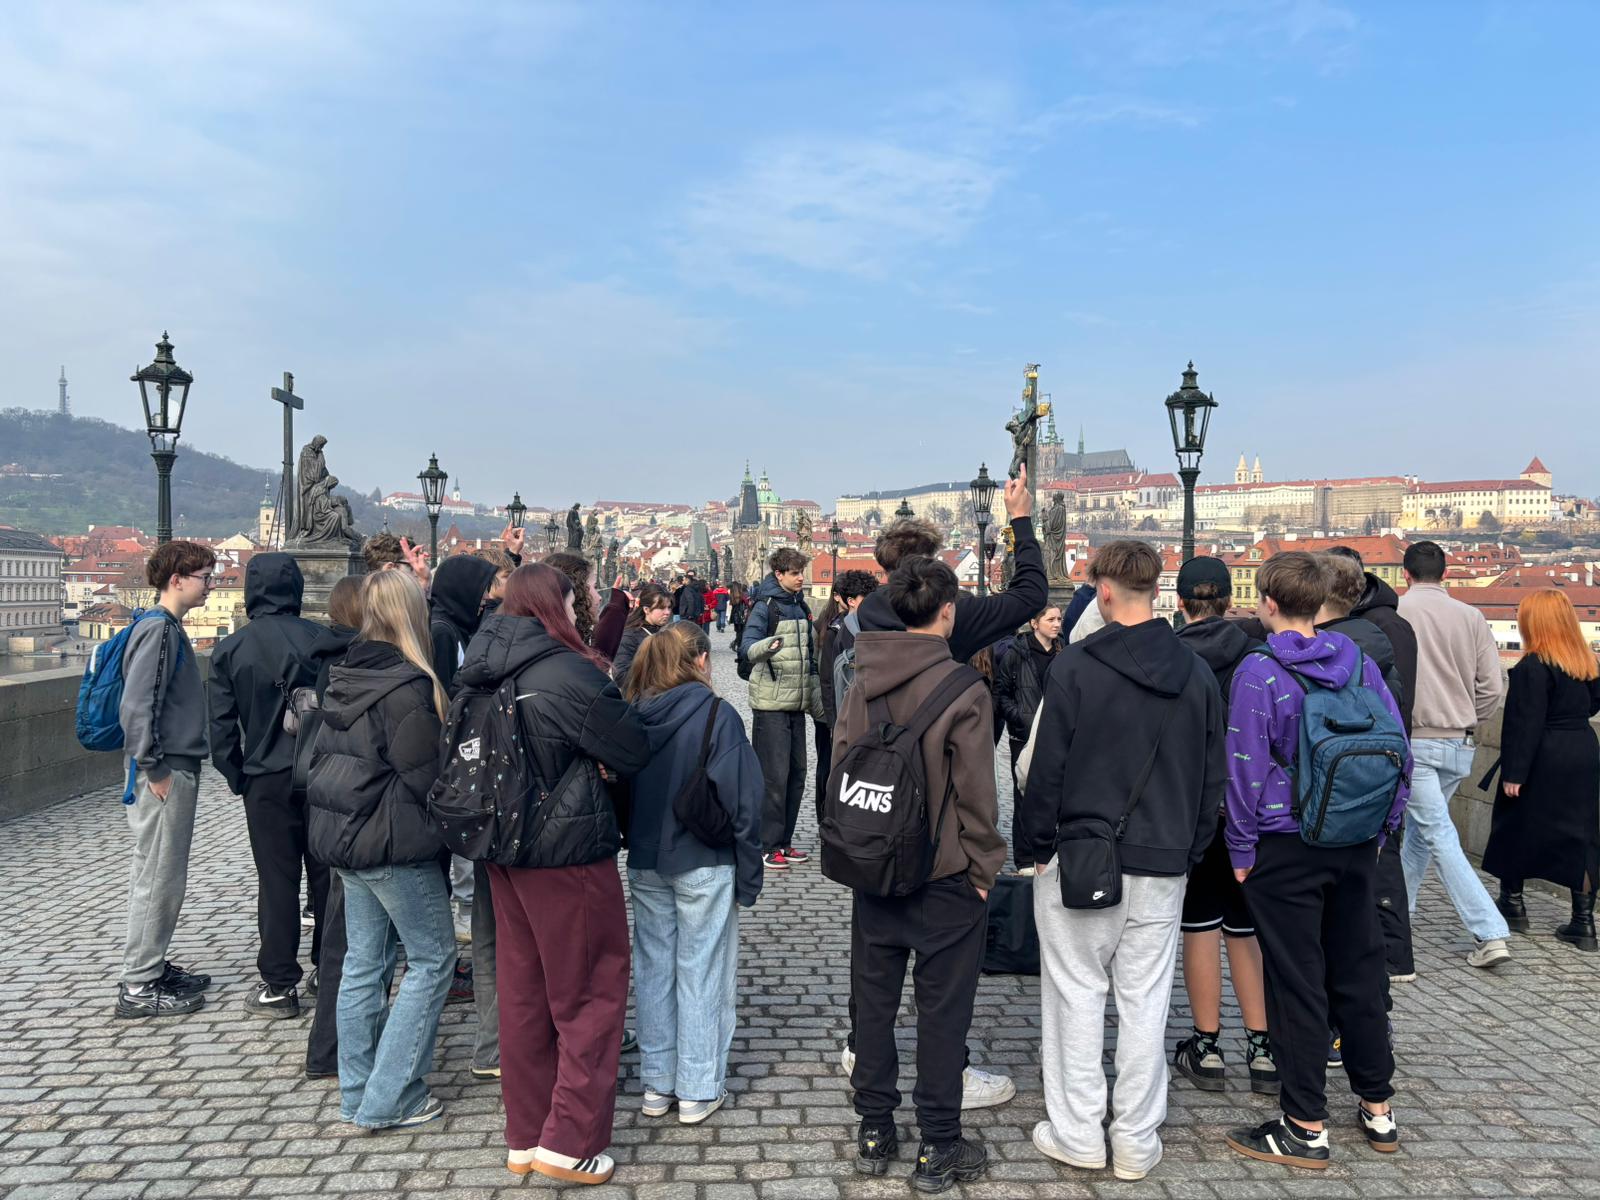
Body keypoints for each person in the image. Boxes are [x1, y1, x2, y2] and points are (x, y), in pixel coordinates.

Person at [1021, 541, 1224, 1182]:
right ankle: (1136, 1137)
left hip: (1081, 855)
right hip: (1164, 859)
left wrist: (1037, 848)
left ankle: (1079, 1132)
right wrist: (1189, 851)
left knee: (1076, 992)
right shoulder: (1196, 673)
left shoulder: (1075, 666)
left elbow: (1045, 771)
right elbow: (1212, 780)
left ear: (1103, 590)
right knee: (1146, 1000)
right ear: (1156, 589)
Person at [454, 564, 650, 1185]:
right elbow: (631, 748)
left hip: (501, 847)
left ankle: (527, 1134)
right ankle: (569, 1142)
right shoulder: (567, 671)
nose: (583, 603)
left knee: (523, 990)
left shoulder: (479, 666)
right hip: (566, 849)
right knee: (590, 989)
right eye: (576, 596)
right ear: (554, 606)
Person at [1221, 551, 1407, 1169]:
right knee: (1359, 970)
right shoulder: (1357, 659)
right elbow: (1398, 748)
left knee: (1296, 980)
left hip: (1286, 841)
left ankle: (1304, 1125)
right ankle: (1378, 1108)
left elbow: (1244, 768)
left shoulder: (1260, 670)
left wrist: (1241, 848)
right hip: (1354, 837)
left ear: (1268, 603)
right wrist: (1382, 827)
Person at [834, 558, 1006, 1191]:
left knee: (873, 1005)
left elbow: (841, 766)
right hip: (945, 876)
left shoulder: (863, 677)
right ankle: (938, 1144)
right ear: (948, 611)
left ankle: (874, 1128)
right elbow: (977, 795)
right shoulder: (963, 688)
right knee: (942, 1014)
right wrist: (984, 868)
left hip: (875, 867)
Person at [307, 570, 454, 1130]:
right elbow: (426, 777)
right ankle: (392, 1097)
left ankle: (357, 1093)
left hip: (346, 839)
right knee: (432, 960)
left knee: (363, 966)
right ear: (411, 614)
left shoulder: (344, 673)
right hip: (393, 844)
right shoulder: (407, 686)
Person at [623, 622, 764, 1123]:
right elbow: (745, 800)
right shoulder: (717, 715)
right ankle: (699, 1087)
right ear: (702, 660)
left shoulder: (632, 712)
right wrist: (750, 874)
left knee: (655, 971)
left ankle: (657, 1083)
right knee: (703, 971)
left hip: (646, 858)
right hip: (704, 857)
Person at [208, 553, 338, 1019]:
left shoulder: (231, 649)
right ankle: (329, 969)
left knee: (277, 880)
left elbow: (220, 729)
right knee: (327, 876)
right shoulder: (322, 640)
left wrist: (238, 776)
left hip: (264, 777)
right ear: (296, 589)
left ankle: (280, 984)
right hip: (321, 772)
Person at [1168, 557, 1275, 1097]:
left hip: (1192, 812)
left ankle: (1207, 1047)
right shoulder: (1258, 656)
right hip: (1249, 812)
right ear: (1231, 602)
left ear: (1180, 603)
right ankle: (1262, 1047)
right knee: (1246, 929)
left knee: (1200, 925)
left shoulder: (1171, 660)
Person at [113, 540, 217, 1019]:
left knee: (160, 875)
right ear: (177, 579)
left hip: (170, 765)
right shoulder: (159, 629)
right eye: (204, 578)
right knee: (158, 877)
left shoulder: (162, 626)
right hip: (165, 771)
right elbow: (137, 706)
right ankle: (139, 983)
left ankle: (151, 966)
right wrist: (154, 768)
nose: (210, 586)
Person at [1396, 541, 1511, 969]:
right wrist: (1466, 719)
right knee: (1422, 835)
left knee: (1438, 836)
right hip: (1459, 744)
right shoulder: (1471, 616)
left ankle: (1489, 932)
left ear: (1406, 574)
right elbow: (1493, 688)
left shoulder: (1398, 613)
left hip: (1417, 741)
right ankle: (1398, 921)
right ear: (1445, 573)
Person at [1316, 552, 1417, 986]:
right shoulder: (1383, 633)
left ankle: (1388, 957)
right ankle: (1384, 962)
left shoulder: (1328, 648)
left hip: (1343, 774)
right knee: (1377, 866)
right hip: (1381, 766)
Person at [1482, 589, 1600, 951]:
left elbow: (1525, 722)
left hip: (1544, 754)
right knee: (1583, 833)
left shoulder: (1532, 667)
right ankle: (1584, 923)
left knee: (1514, 821)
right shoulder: (1586, 663)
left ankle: (1513, 904)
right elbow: (1592, 706)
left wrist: (1515, 773)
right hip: (1582, 749)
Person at [854, 464, 1044, 663]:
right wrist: (1020, 518)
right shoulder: (953, 610)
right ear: (928, 564)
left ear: (884, 564)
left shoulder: (868, 609)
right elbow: (1031, 595)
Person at [305, 574, 364, 1080]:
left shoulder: (323, 660)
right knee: (354, 943)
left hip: (331, 806)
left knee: (341, 939)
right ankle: (333, 1052)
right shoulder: (359, 664)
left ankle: (329, 1049)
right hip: (359, 813)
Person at [740, 547, 825, 870]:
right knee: (773, 777)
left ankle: (784, 841)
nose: (801, 577)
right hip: (771, 703)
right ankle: (767, 844)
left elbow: (810, 658)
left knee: (796, 775)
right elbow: (748, 647)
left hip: (796, 703)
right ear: (779, 574)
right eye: (794, 573)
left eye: (801, 572)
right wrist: (767, 646)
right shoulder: (766, 606)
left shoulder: (800, 605)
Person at [993, 604, 1062, 873]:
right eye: (1050, 619)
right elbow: (1001, 694)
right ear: (1035, 623)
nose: (1056, 624)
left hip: (1055, 732)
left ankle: (1048, 852)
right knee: (1022, 795)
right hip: (1022, 735)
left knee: (1053, 794)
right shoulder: (1016, 653)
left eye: (1059, 619)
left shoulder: (1064, 651)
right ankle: (1024, 859)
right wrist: (1021, 718)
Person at [817, 571, 881, 824]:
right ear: (851, 601)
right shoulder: (837, 630)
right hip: (842, 713)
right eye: (866, 598)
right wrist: (833, 721)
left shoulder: (874, 625)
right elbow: (828, 680)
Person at [546, 551, 630, 660]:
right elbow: (598, 663)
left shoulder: (552, 642)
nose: (599, 597)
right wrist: (616, 608)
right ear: (577, 592)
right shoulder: (566, 652)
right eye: (595, 587)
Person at [613, 582, 673, 687]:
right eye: (662, 608)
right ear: (646, 609)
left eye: (669, 607)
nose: (667, 612)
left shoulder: (668, 631)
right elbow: (621, 676)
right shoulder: (630, 636)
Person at [362, 530, 431, 589]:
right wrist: (423, 582)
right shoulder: (402, 599)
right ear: (390, 569)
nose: (417, 573)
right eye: (410, 567)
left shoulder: (363, 595)